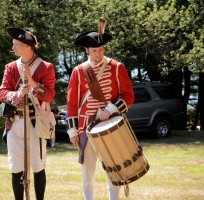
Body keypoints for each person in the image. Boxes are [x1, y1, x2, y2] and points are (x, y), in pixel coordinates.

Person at [66, 17, 134, 200]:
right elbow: (72, 103)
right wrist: (72, 130)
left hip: (110, 123)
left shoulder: (116, 67)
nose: (98, 54)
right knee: (87, 171)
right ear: (87, 50)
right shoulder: (79, 71)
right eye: (94, 50)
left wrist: (111, 108)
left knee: (113, 168)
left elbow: (128, 96)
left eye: (101, 50)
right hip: (86, 126)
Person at [0, 27, 55, 200]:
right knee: (15, 167)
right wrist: (17, 94)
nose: (13, 48)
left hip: (35, 122)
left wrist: (32, 83)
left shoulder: (45, 67)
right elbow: (2, 93)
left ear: (27, 46)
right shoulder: (11, 67)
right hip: (15, 123)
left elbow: (50, 94)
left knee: (37, 166)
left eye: (16, 44)